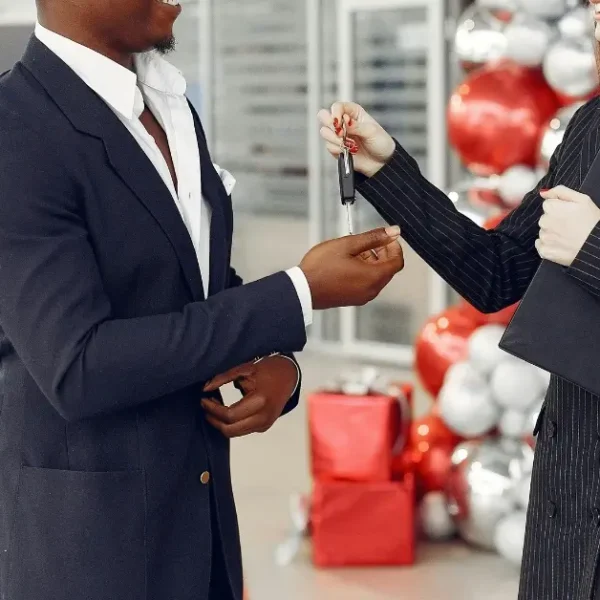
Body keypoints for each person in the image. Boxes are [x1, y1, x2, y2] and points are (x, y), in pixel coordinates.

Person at [0, 1, 405, 600]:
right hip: (88, 553)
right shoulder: (17, 127)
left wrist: (280, 368)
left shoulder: (170, 108)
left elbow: (196, 288)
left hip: (200, 531)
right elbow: (78, 364)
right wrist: (300, 292)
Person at [317, 21, 600, 600]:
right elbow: (495, 271)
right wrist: (385, 167)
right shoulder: (593, 128)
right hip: (573, 490)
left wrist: (595, 249)